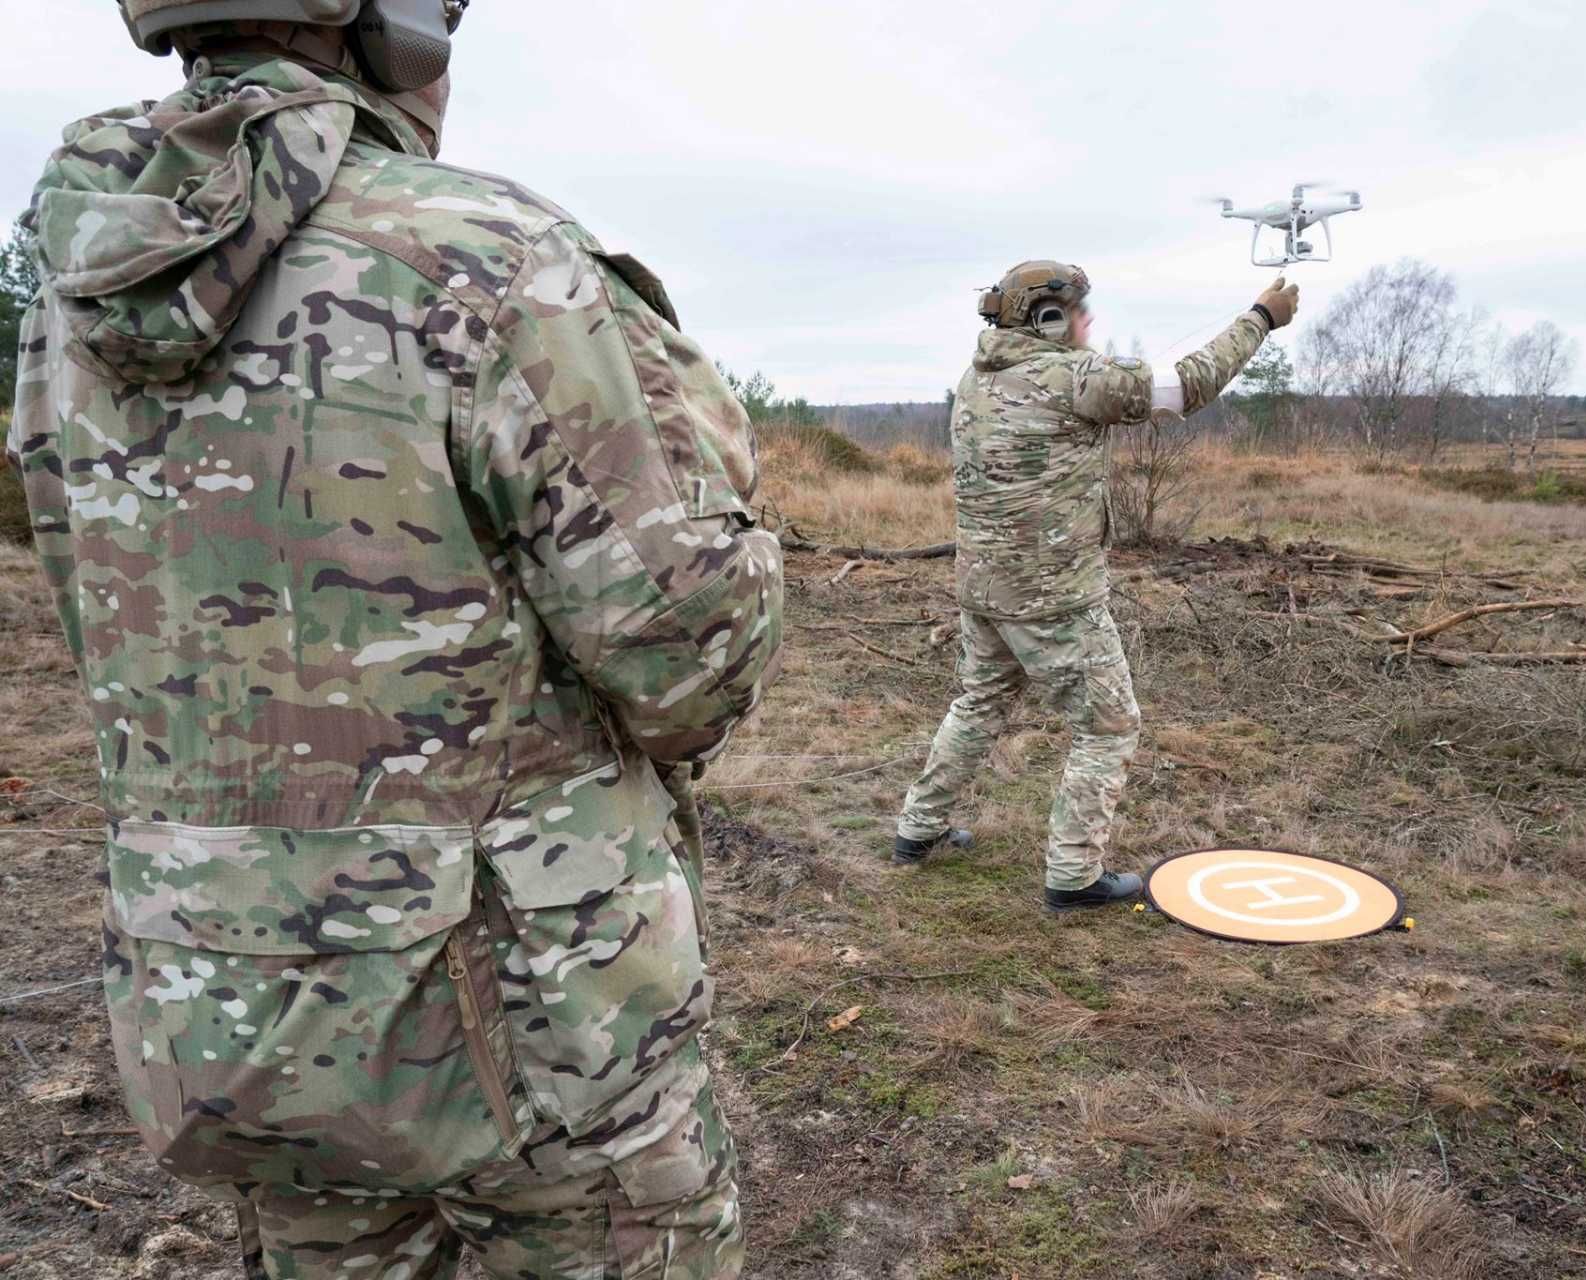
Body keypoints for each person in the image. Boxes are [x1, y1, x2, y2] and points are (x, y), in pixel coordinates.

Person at [6, 3, 782, 1276]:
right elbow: (690, 659)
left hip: (233, 1008)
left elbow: (102, 620)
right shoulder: (485, 253)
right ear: (395, 30)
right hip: (540, 1020)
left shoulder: (72, 303)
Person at [894, 261, 1298, 911]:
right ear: (1050, 320)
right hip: (1053, 598)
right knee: (1109, 726)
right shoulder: (1071, 377)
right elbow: (1187, 386)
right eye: (1080, 312)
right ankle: (1074, 874)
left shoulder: (976, 380)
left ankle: (917, 828)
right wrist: (1260, 321)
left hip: (984, 589)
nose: (1089, 324)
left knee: (978, 704)